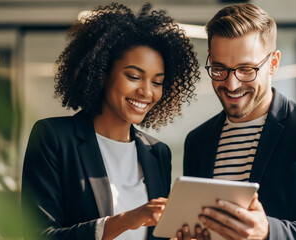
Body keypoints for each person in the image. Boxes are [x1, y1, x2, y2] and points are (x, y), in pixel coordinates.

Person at [179, 3, 296, 240]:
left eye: (246, 69)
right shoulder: (198, 141)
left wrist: (268, 232)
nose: (231, 84)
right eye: (220, 69)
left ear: (273, 63)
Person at [21, 3, 199, 240]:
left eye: (157, 82)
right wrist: (126, 221)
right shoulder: (54, 137)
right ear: (102, 73)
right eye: (134, 76)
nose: (147, 92)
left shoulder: (158, 153)